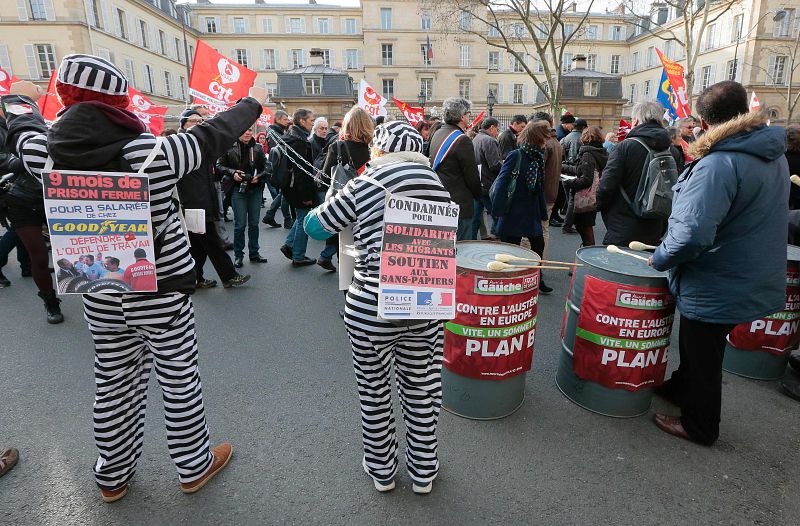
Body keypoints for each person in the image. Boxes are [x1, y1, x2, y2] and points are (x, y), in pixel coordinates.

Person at [2, 55, 265, 501]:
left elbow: (22, 124)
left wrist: (21, 102)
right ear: (120, 100)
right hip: (160, 289)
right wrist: (251, 103)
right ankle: (192, 466)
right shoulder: (151, 152)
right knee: (179, 376)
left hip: (95, 285)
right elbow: (213, 134)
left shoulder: (43, 153)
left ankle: (111, 476)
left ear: (63, 96)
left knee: (113, 379)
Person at [304, 121, 449, 494]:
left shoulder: (366, 185)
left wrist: (337, 198)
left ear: (379, 152)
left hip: (370, 308)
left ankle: (382, 470)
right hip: (425, 307)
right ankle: (423, 472)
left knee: (374, 390)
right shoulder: (439, 188)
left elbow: (315, 227)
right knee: (422, 388)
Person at [649, 81, 788, 445]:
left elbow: (692, 234)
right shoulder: (771, 152)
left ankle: (700, 426)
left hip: (719, 276)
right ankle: (681, 388)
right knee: (704, 346)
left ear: (704, 122)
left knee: (703, 352)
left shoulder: (718, 164)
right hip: (747, 271)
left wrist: (660, 258)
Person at [178, 107, 249, 289]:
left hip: (203, 200)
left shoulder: (201, 145)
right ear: (184, 125)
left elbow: (213, 169)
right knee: (212, 242)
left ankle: (195, 277)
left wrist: (230, 172)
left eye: (200, 121)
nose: (198, 124)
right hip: (194, 203)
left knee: (198, 246)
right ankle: (229, 276)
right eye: (193, 121)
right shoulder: (180, 146)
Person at [596, 100, 672, 247]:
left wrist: (599, 206)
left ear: (636, 120)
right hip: (656, 221)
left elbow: (606, 185)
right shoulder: (669, 148)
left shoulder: (626, 146)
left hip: (623, 221)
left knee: (616, 266)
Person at [491, 120, 552, 294]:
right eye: (545, 137)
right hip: (513, 210)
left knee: (538, 245)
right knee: (511, 249)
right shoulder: (516, 155)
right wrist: (498, 212)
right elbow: (502, 182)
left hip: (530, 210)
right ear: (537, 137)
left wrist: (541, 211)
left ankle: (537, 278)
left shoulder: (538, 156)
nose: (546, 141)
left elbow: (539, 186)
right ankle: (507, 282)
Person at [318, 106, 374, 272]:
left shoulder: (338, 147)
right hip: (368, 205)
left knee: (344, 250)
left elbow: (324, 178)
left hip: (343, 204)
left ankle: (347, 283)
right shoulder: (375, 148)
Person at [428, 97, 482, 240]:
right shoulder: (462, 139)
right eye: (468, 113)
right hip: (459, 204)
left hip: (441, 198)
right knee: (462, 251)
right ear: (462, 116)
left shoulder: (438, 133)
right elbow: (472, 176)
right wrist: (479, 194)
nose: (469, 116)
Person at [216, 127, 270, 269]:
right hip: (237, 189)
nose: (247, 133)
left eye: (250, 130)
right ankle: (238, 256)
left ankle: (254, 253)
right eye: (244, 130)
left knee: (254, 223)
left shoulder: (257, 148)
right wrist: (233, 173)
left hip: (255, 189)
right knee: (240, 224)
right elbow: (219, 165)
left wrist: (259, 177)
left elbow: (267, 167)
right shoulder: (228, 146)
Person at [279, 108, 319, 267]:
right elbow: (302, 171)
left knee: (302, 217)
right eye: (311, 121)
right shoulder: (300, 141)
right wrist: (307, 196)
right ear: (302, 121)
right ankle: (298, 256)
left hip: (289, 186)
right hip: (298, 187)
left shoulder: (290, 136)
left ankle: (289, 245)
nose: (313, 123)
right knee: (304, 220)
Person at [561, 126, 608, 247]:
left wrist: (568, 183)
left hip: (585, 197)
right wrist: (565, 167)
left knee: (585, 230)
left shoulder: (588, 154)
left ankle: (589, 255)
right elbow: (583, 170)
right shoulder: (601, 152)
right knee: (586, 228)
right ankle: (588, 251)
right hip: (593, 197)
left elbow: (586, 179)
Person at [531, 112, 563, 263]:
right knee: (544, 229)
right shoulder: (556, 142)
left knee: (533, 232)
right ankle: (540, 263)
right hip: (551, 192)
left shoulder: (546, 144)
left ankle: (534, 265)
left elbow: (537, 171)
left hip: (542, 194)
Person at [471, 117, 502, 240]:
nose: (498, 132)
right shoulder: (489, 140)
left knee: (475, 216)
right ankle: (496, 237)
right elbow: (494, 164)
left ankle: (470, 239)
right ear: (492, 127)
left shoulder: (477, 138)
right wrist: (505, 167)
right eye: (497, 129)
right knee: (497, 214)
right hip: (488, 183)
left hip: (479, 182)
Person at [263, 110, 294, 229]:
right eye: (285, 119)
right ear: (278, 119)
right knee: (284, 193)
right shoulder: (274, 132)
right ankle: (286, 219)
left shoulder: (280, 131)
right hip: (280, 167)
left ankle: (270, 215)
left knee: (283, 193)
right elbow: (280, 147)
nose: (288, 121)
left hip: (283, 165)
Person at [560, 118, 588, 235]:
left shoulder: (565, 138)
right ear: (583, 127)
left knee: (570, 199)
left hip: (564, 171)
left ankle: (569, 222)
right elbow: (576, 157)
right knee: (572, 200)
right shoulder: (580, 139)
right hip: (573, 171)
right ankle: (568, 225)